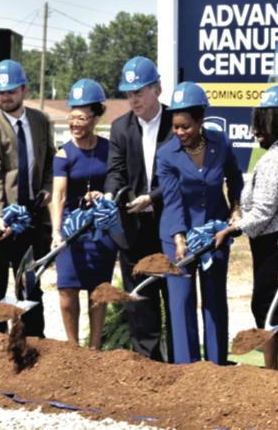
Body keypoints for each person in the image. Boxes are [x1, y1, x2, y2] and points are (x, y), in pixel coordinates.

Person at [215, 85, 278, 372]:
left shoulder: (277, 158)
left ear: (273, 122)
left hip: (277, 244)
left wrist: (230, 230)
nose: (255, 131)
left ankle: (272, 374)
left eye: (259, 124)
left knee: (268, 307)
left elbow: (263, 212)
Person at [0, 59, 54, 337]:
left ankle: (33, 344)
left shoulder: (40, 120)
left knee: (30, 283)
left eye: (12, 91)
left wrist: (48, 186)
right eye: (1, 92)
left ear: (24, 90)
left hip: (31, 216)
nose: (6, 97)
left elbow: (50, 158)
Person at [156, 82, 244, 365]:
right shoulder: (166, 155)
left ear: (200, 120)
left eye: (186, 126)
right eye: (176, 127)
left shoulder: (221, 142)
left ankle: (217, 365)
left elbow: (235, 178)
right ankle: (187, 369)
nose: (180, 132)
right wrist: (180, 239)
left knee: (215, 299)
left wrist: (236, 208)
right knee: (181, 303)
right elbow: (171, 201)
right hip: (177, 237)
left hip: (214, 235)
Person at [103, 56, 174, 362]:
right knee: (139, 299)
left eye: (138, 92)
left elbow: (181, 177)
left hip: (168, 225)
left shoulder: (176, 124)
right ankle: (148, 363)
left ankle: (179, 360)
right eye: (128, 94)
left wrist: (152, 197)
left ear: (157, 90)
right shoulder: (119, 127)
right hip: (132, 227)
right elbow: (115, 171)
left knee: (173, 295)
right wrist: (110, 194)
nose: (132, 99)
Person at [51, 79, 117, 350]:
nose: (75, 123)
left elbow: (116, 182)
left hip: (101, 230)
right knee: (67, 289)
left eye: (82, 117)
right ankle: (72, 348)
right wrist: (56, 232)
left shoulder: (110, 149)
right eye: (72, 117)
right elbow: (59, 196)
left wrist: (105, 196)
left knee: (99, 291)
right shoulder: (63, 154)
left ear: (96, 117)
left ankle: (94, 349)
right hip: (70, 229)